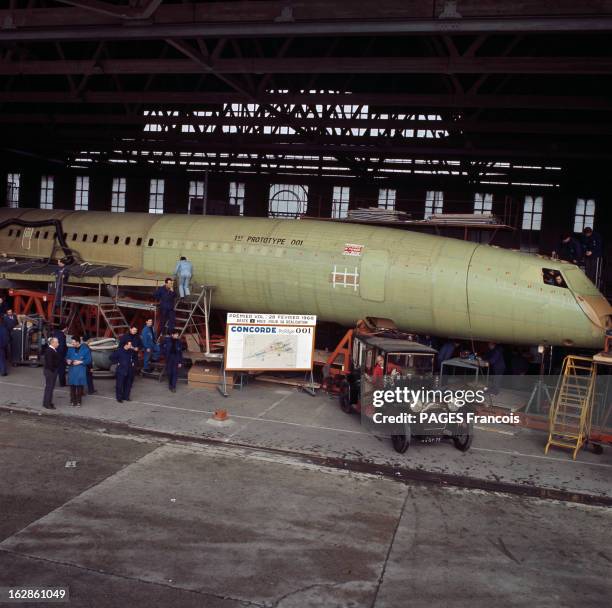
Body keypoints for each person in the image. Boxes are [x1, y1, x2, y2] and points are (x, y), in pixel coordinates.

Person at [65, 336, 91, 407]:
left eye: (73, 342)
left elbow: (89, 360)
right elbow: (67, 357)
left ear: (78, 342)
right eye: (72, 342)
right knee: (72, 387)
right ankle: (72, 401)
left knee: (79, 387)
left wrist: (80, 362)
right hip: (72, 370)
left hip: (80, 370)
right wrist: (68, 360)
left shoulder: (86, 350)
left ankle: (79, 402)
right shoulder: (70, 349)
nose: (72, 343)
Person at [42, 337, 61, 409]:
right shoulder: (50, 351)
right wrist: (54, 370)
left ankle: (47, 402)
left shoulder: (51, 350)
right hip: (50, 372)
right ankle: (47, 404)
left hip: (49, 371)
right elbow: (50, 363)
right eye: (57, 342)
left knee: (49, 387)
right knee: (50, 388)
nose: (58, 344)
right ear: (53, 343)